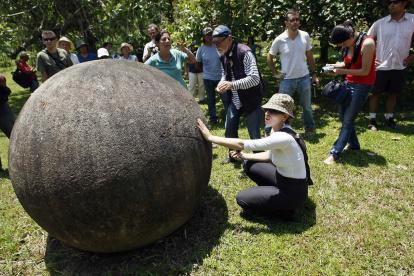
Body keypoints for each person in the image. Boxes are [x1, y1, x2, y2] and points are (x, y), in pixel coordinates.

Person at [197, 93, 311, 217]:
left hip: (292, 192)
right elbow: (270, 156)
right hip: (283, 179)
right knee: (249, 163)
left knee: (242, 199)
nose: (267, 113)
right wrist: (245, 156)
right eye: (267, 109)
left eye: (273, 111)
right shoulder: (278, 129)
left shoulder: (282, 137)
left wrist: (210, 137)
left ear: (284, 116)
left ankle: (287, 211)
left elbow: (241, 144)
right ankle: (272, 197)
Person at [323, 21, 376, 165]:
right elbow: (347, 63)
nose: (341, 47)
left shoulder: (368, 43)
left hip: (362, 85)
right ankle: (354, 145)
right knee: (343, 115)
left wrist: (341, 71)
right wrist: (332, 67)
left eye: (342, 43)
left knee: (348, 119)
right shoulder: (349, 42)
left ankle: (335, 153)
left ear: (351, 35)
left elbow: (364, 71)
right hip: (349, 82)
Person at [213, 25, 263, 163]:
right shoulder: (222, 54)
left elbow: (254, 78)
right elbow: (225, 73)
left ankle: (260, 160)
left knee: (254, 134)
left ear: (229, 38)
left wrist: (231, 85)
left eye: (219, 41)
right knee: (229, 129)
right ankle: (233, 155)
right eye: (214, 42)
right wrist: (222, 83)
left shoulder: (245, 52)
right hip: (235, 99)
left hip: (251, 99)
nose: (216, 45)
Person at [267, 9, 319, 134]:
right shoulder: (280, 39)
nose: (295, 22)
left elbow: (310, 56)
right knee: (281, 107)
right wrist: (275, 73)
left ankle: (309, 127)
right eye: (292, 20)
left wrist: (314, 74)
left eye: (297, 20)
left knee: (306, 106)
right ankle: (282, 129)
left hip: (304, 77)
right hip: (286, 80)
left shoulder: (305, 35)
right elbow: (269, 57)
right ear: (286, 23)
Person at [367, 0, 414, 130]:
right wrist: (370, 59)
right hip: (381, 65)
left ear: (404, 3)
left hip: (400, 65)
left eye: (395, 2)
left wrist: (412, 57)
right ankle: (372, 120)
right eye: (389, 2)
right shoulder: (380, 23)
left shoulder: (412, 21)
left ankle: (389, 117)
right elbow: (367, 41)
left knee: (393, 93)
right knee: (375, 93)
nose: (391, 5)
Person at [196, 27, 230, 124]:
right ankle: (213, 118)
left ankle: (229, 117)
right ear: (204, 37)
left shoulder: (218, 46)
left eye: (210, 34)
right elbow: (198, 64)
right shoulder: (201, 49)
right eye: (207, 35)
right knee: (211, 100)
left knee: (225, 99)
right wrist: (206, 71)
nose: (209, 37)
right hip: (208, 79)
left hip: (221, 78)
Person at [0, 75, 16, 170]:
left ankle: (25, 160)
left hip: (2, 109)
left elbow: (6, 90)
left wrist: (3, 85)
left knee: (15, 136)